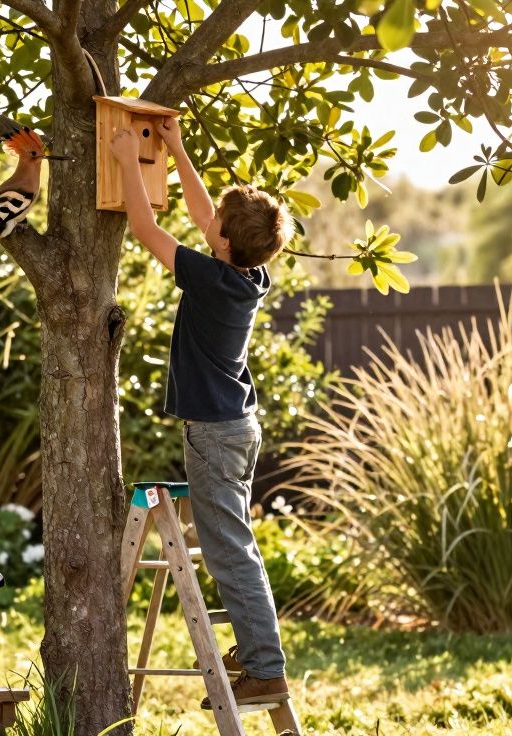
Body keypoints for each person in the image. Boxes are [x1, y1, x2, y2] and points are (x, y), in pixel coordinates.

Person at [109, 117, 293, 707]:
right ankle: (260, 654)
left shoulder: (211, 280)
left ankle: (265, 666)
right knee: (233, 544)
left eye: (216, 224)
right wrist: (179, 150)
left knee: (227, 551)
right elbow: (203, 216)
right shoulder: (248, 273)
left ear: (223, 243)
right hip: (236, 425)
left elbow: (144, 226)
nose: (207, 219)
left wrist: (124, 160)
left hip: (215, 432)